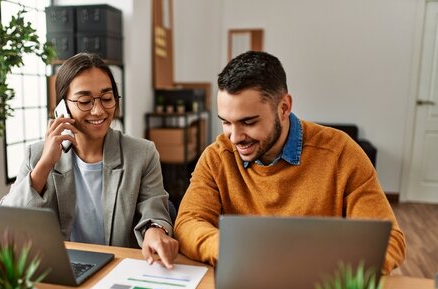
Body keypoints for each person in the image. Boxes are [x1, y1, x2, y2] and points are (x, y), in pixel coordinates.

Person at [174, 51, 405, 274]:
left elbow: (389, 241)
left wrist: (316, 263)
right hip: (246, 281)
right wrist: (233, 250)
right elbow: (187, 223)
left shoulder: (340, 153)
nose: (234, 137)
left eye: (248, 122)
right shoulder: (217, 157)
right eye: (226, 122)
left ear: (284, 107)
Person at [1, 53, 178, 268]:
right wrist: (45, 164)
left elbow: (155, 209)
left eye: (106, 98)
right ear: (62, 107)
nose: (98, 110)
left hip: (119, 269)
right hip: (62, 270)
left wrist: (156, 230)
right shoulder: (37, 155)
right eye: (84, 101)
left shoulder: (142, 153)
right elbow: (8, 220)